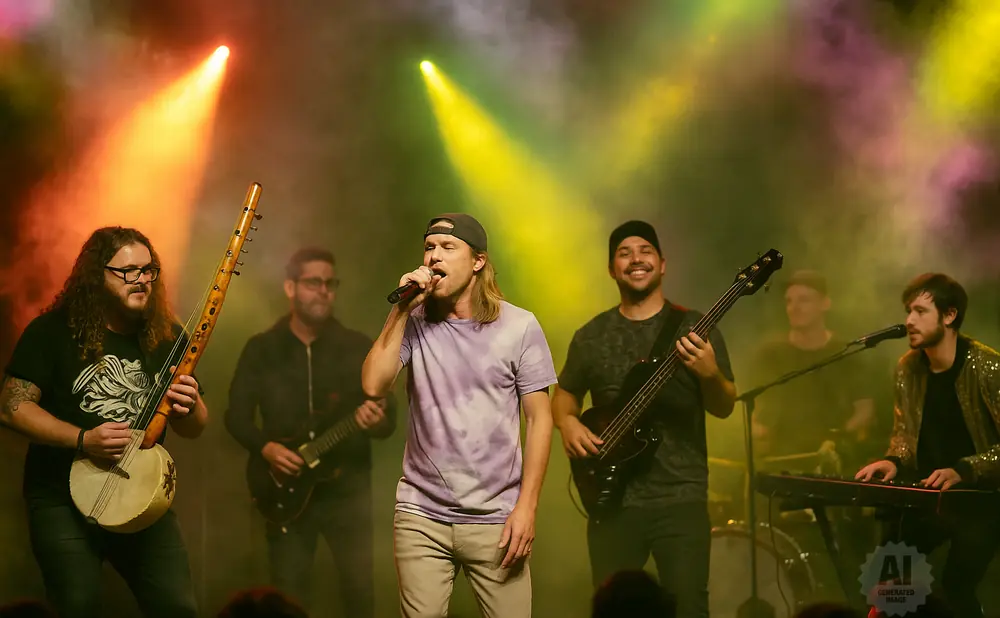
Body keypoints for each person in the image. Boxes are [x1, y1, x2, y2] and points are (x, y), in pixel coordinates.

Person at [0, 227, 207, 618]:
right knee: (77, 606)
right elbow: (12, 407)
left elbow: (195, 427)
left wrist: (191, 405)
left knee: (177, 608)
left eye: (149, 270)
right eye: (127, 271)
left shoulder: (166, 335)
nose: (141, 280)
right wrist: (82, 438)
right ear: (97, 276)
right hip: (61, 498)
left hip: (141, 495)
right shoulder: (51, 332)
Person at [361, 213, 556, 618]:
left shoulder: (519, 326)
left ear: (478, 261)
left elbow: (540, 419)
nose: (434, 257)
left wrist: (527, 508)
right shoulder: (413, 322)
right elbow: (373, 386)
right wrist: (401, 310)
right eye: (429, 248)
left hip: (497, 519)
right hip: (421, 514)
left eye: (448, 248)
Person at [552, 220, 737, 618]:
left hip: (681, 498)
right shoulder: (591, 335)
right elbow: (564, 393)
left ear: (663, 264)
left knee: (689, 607)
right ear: (611, 269)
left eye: (645, 250)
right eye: (624, 252)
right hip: (611, 499)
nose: (636, 258)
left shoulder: (695, 327)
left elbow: (724, 405)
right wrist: (567, 423)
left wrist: (710, 373)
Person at [224, 247, 395, 616]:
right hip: (284, 495)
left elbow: (388, 419)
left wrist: (376, 420)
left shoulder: (358, 347)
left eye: (330, 283)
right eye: (313, 282)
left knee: (360, 593)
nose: (323, 291)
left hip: (347, 495)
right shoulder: (262, 348)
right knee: (289, 596)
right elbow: (235, 417)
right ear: (290, 287)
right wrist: (266, 448)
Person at [856, 273, 1000, 618]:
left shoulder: (987, 368)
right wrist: (893, 461)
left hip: (982, 501)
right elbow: (904, 434)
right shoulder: (908, 368)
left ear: (949, 316)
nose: (909, 321)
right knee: (892, 588)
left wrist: (964, 469)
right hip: (926, 497)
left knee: (956, 588)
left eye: (920, 311)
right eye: (908, 311)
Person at [749, 270, 877, 469]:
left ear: (825, 303)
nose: (794, 307)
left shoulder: (847, 352)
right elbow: (754, 408)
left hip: (835, 463)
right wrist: (756, 432)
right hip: (780, 461)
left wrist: (837, 440)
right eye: (789, 301)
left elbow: (865, 411)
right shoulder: (770, 354)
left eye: (804, 300)